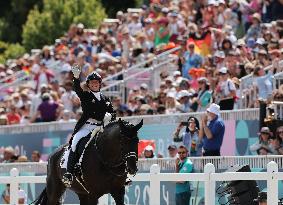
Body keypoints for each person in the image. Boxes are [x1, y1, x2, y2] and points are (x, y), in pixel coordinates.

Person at [62, 65, 116, 187]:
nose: (94, 84)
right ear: (89, 84)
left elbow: (112, 112)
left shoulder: (105, 98)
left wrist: (110, 117)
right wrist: (76, 77)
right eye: (92, 83)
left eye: (96, 82)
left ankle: (119, 173)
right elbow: (77, 89)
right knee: (74, 143)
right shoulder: (86, 95)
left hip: (102, 127)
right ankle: (69, 173)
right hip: (87, 127)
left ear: (99, 84)